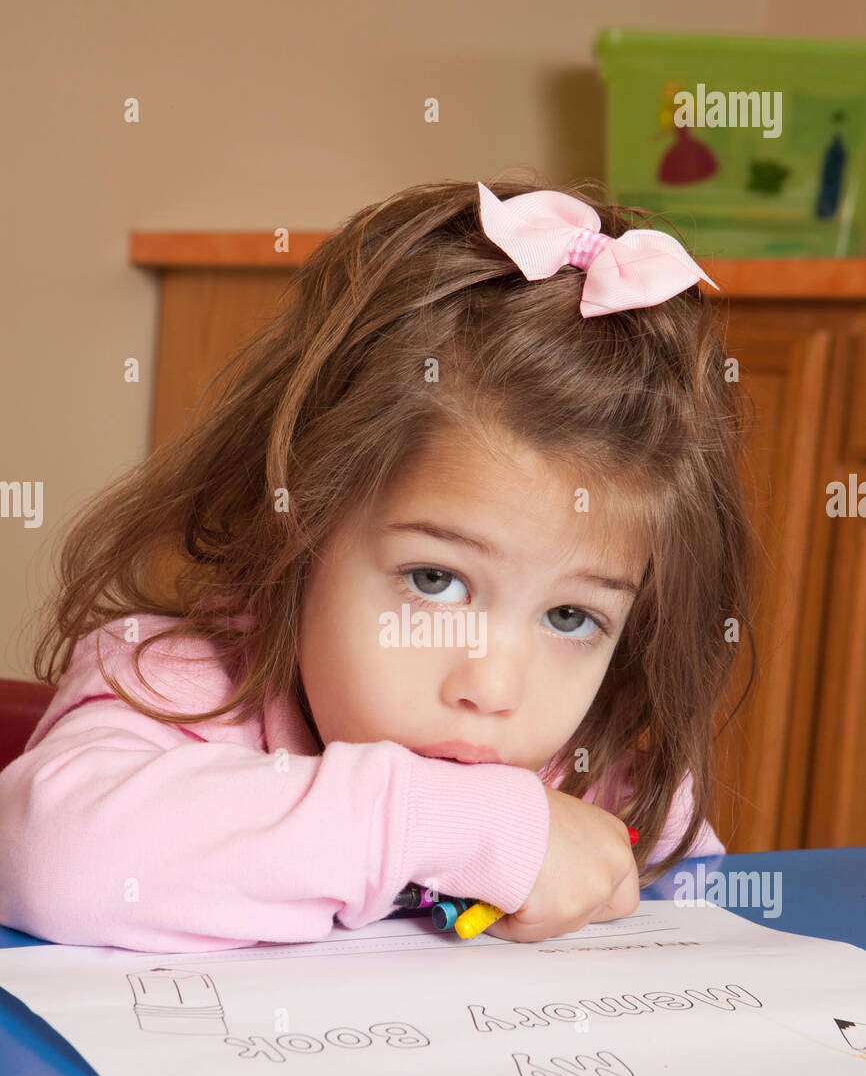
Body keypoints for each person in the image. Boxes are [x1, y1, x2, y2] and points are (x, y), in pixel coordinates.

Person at [0, 176, 760, 953]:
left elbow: (702, 957)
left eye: (571, 617)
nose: (492, 688)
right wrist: (453, 824)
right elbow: (46, 859)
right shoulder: (174, 692)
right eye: (436, 581)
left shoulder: (603, 785)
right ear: (296, 526)